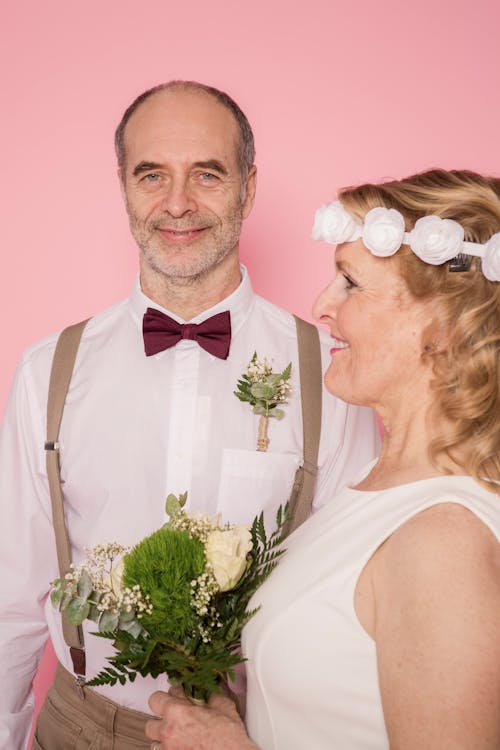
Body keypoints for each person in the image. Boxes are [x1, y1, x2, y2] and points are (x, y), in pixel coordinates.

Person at [0, 81, 379, 750]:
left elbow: (354, 596)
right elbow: (11, 594)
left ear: (248, 189)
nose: (177, 204)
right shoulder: (45, 371)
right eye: (152, 175)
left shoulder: (332, 372)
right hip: (79, 727)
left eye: (206, 173)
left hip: (255, 733)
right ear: (123, 187)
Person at [144, 169, 500, 750]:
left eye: (350, 284)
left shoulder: (445, 543)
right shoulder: (380, 482)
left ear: (439, 322)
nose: (320, 306)